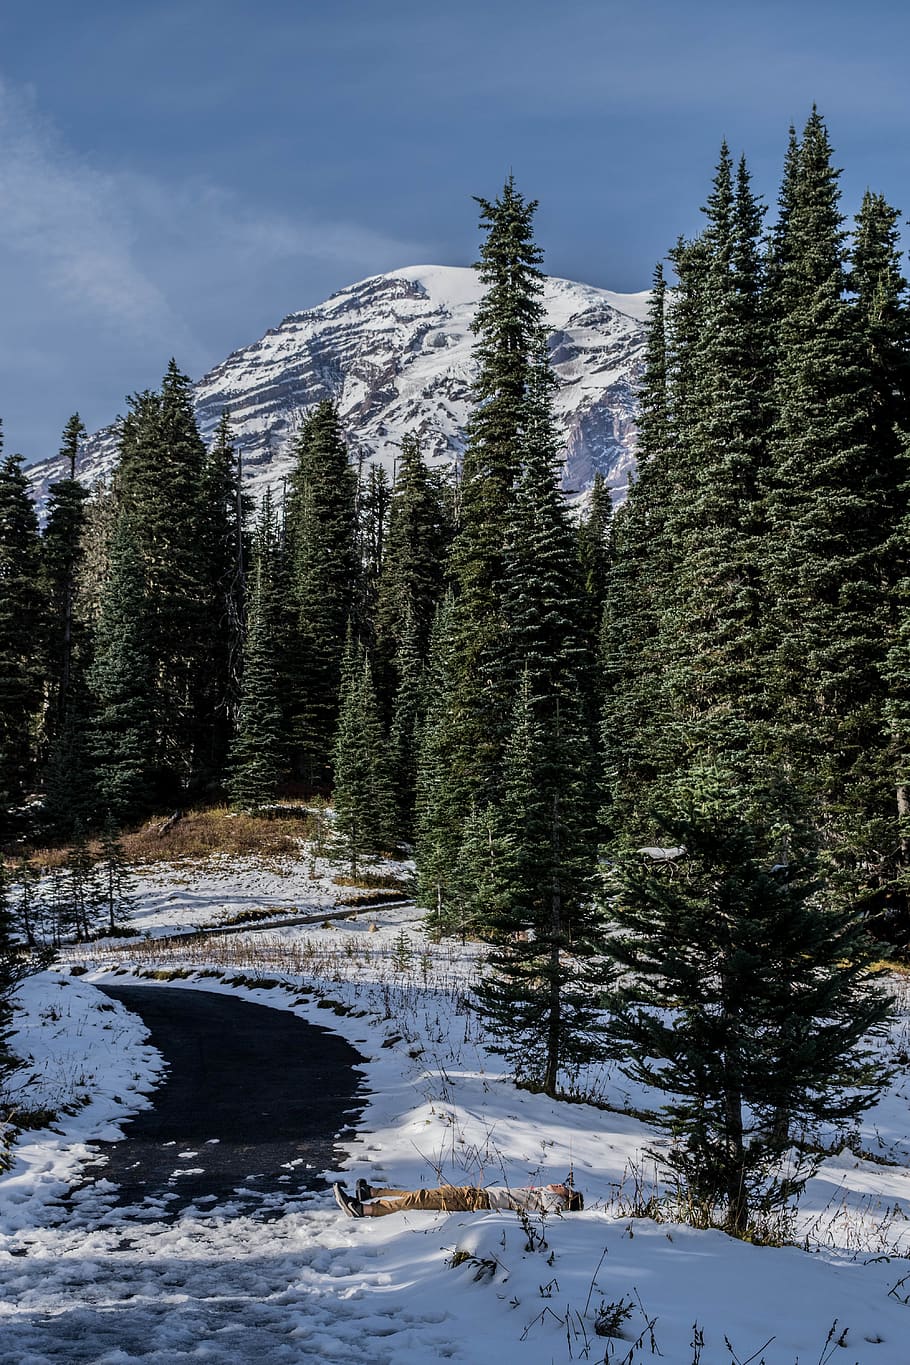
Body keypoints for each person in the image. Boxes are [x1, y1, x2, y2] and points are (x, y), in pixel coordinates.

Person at [332, 1178, 583, 1218]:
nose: (561, 1185)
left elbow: (555, 1208)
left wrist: (565, 1198)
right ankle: (372, 1194)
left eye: (567, 1189)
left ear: (565, 1200)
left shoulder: (551, 1202)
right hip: (477, 1195)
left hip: (477, 1202)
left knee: (420, 1199)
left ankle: (363, 1210)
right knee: (423, 1195)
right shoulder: (541, 1193)